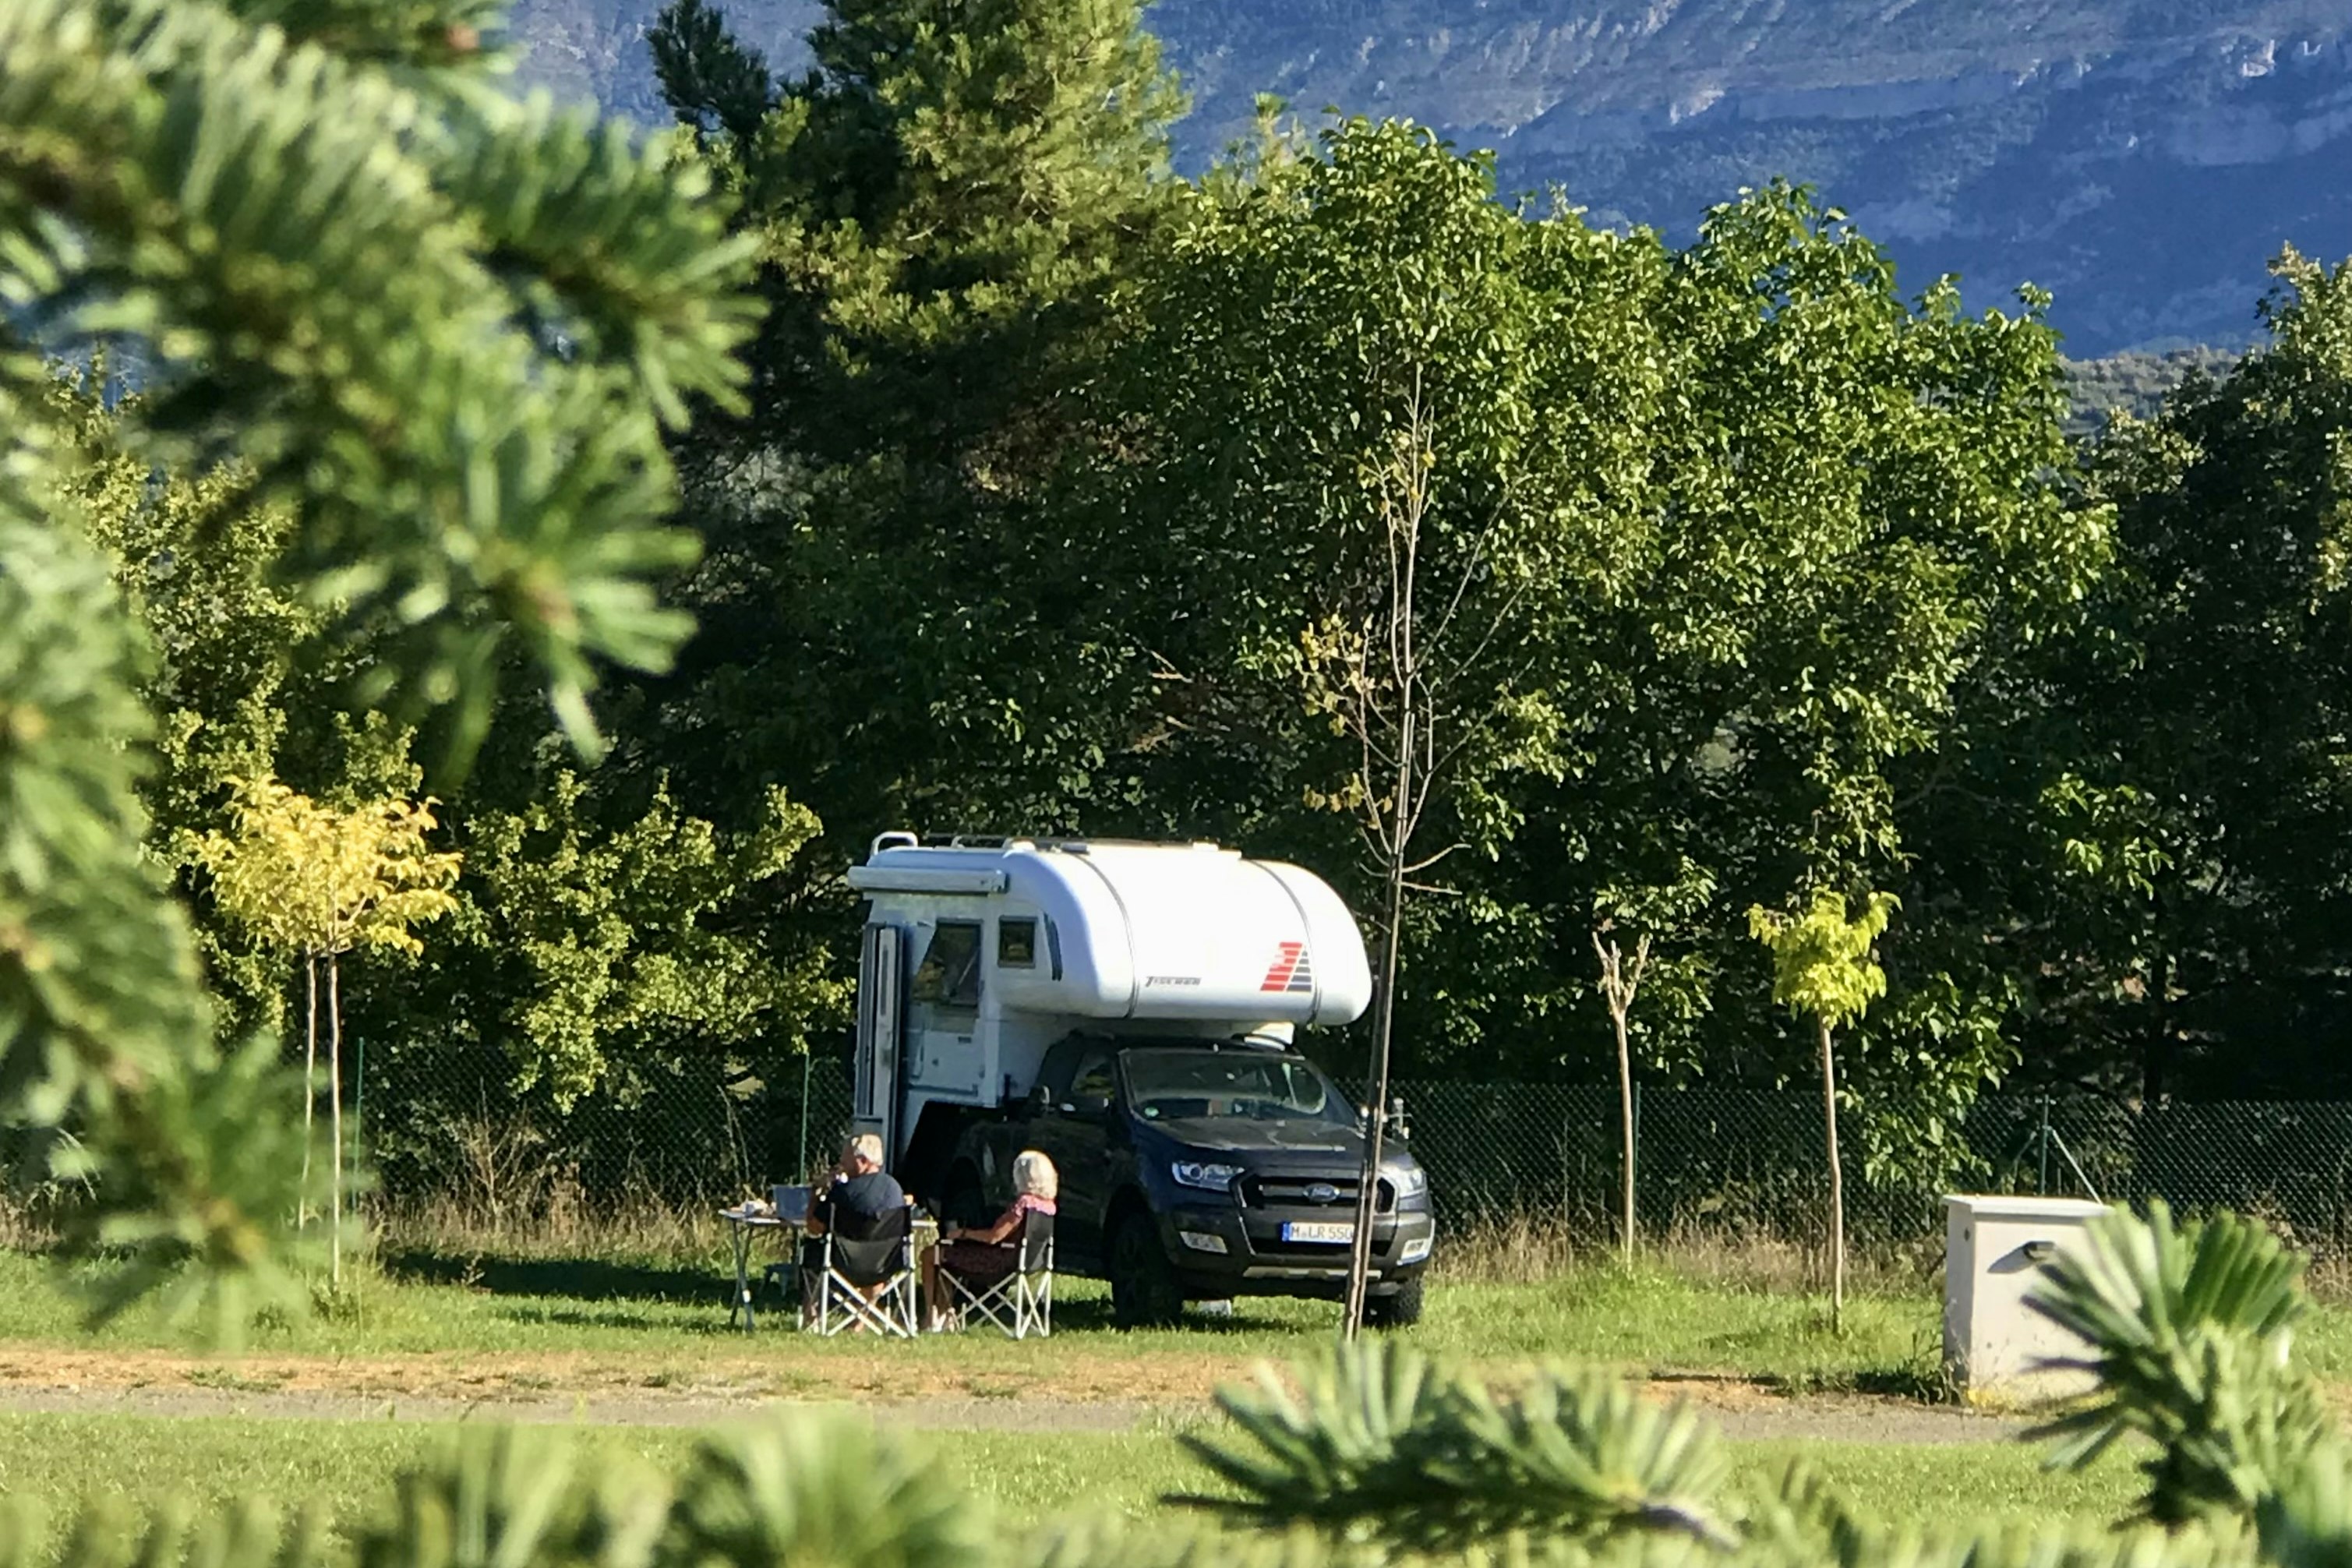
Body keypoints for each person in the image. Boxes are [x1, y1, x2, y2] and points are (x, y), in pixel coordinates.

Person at [922, 1149, 1057, 1331]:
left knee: (931, 1254)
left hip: (998, 1263)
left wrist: (963, 1233)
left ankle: (932, 1315)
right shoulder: (1048, 1206)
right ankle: (945, 1314)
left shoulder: (1024, 1203)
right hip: (1028, 1262)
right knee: (947, 1257)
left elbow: (994, 1237)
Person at [809, 1132, 904, 1239]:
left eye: (846, 1157)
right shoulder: (895, 1188)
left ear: (862, 1161)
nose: (842, 1161)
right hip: (888, 1254)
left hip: (848, 1255)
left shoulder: (844, 1192)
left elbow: (814, 1227)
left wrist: (816, 1192)